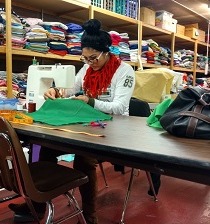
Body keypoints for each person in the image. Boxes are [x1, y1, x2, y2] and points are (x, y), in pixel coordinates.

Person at [8, 18, 135, 224]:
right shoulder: (86, 70)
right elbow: (71, 90)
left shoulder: (124, 71)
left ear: (106, 52)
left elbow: (120, 108)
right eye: (85, 59)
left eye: (93, 58)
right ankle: (38, 205)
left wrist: (89, 101)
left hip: (114, 128)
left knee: (84, 157)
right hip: (88, 123)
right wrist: (56, 91)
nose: (89, 63)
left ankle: (89, 216)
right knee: (46, 147)